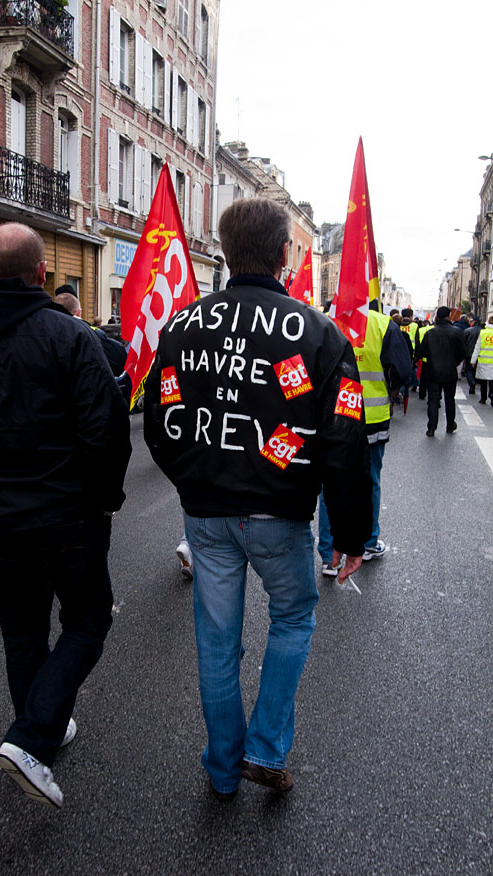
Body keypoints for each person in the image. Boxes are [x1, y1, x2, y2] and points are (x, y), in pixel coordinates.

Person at [143, 198, 372, 799]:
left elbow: (159, 419)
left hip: (207, 517)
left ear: (224, 250)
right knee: (293, 618)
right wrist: (351, 534)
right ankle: (266, 749)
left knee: (217, 641)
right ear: (282, 255)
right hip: (281, 514)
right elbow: (345, 441)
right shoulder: (319, 334)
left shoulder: (183, 326)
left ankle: (222, 767)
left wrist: (195, 479)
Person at [0, 222, 131, 809]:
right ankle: (32, 736)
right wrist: (103, 497)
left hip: (3, 515)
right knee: (88, 620)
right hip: (68, 512)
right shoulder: (70, 337)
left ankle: (40, 728)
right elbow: (107, 429)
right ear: (41, 275)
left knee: (23, 630)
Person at [317, 298, 412, 572]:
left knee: (329, 483)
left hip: (333, 419)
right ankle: (368, 542)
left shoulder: (328, 319)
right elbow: (402, 370)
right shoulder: (383, 325)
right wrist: (390, 391)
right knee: (370, 479)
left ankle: (328, 553)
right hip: (372, 418)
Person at [416, 306, 467, 437]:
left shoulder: (431, 333)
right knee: (450, 399)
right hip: (450, 371)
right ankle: (450, 425)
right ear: (449, 316)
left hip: (433, 371)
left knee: (433, 399)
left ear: (437, 317)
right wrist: (455, 362)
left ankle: (431, 427)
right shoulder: (456, 332)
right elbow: (463, 352)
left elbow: (421, 352)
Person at [471, 315, 493, 405]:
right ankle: (492, 396)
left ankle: (483, 398)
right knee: (492, 381)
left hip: (483, 360)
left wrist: (473, 360)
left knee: (483, 381)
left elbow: (477, 347)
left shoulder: (483, 333)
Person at [463, 317, 482, 394]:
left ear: (474, 322)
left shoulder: (468, 331)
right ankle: (474, 381)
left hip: (469, 353)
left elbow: (463, 342)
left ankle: (472, 383)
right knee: (475, 369)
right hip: (480, 354)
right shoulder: (483, 331)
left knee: (468, 370)